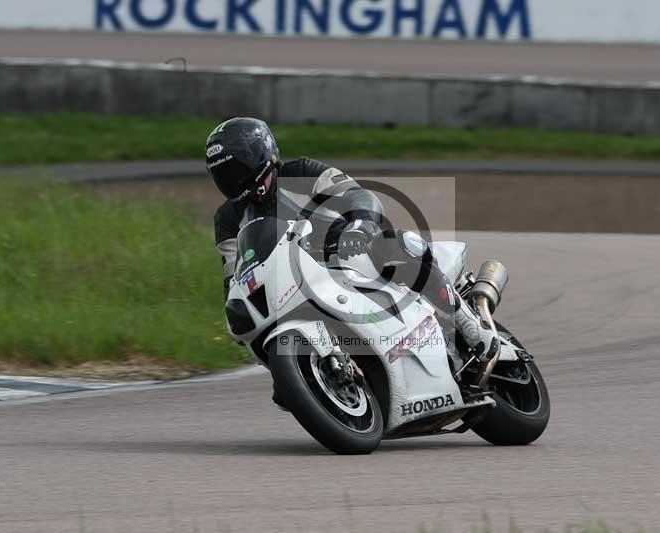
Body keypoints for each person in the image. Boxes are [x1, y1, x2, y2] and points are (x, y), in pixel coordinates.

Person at [207, 118, 499, 399]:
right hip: (293, 285)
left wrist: (360, 225)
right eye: (223, 175)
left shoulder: (302, 172)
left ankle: (468, 324)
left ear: (261, 157)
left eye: (237, 170)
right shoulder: (227, 219)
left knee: (397, 243)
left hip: (346, 251)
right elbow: (233, 273)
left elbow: (358, 195)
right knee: (274, 368)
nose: (231, 181)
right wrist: (236, 308)